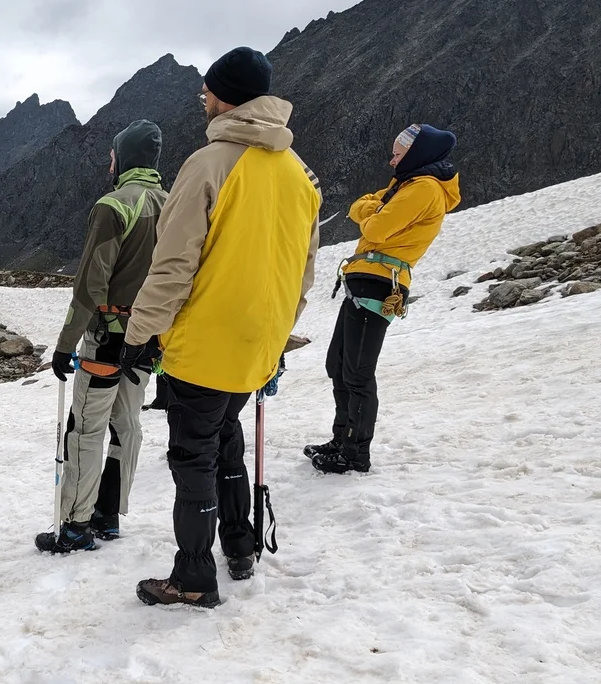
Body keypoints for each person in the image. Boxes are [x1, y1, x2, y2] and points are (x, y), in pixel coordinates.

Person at [119, 47, 321, 607]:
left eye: (206, 91)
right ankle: (240, 545)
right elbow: (302, 272)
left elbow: (173, 263)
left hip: (204, 344)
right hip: (256, 345)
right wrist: (276, 334)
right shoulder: (299, 173)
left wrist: (140, 334)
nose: (202, 100)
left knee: (192, 457)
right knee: (225, 437)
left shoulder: (208, 165)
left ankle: (192, 577)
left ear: (226, 96)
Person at [38, 119, 169, 553]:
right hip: (148, 340)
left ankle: (76, 524)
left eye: (112, 155)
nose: (107, 162)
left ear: (124, 158)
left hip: (107, 338)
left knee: (85, 429)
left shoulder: (115, 205)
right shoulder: (172, 204)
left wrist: (64, 344)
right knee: (127, 424)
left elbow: (90, 285)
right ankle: (109, 514)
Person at [306, 124, 460, 474]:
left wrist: (371, 211)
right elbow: (361, 207)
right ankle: (342, 439)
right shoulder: (405, 186)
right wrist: (371, 209)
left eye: (398, 154)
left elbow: (373, 226)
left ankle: (355, 453)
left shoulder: (423, 189)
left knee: (357, 371)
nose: (392, 161)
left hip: (380, 282)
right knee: (340, 364)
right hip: (366, 279)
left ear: (417, 154)